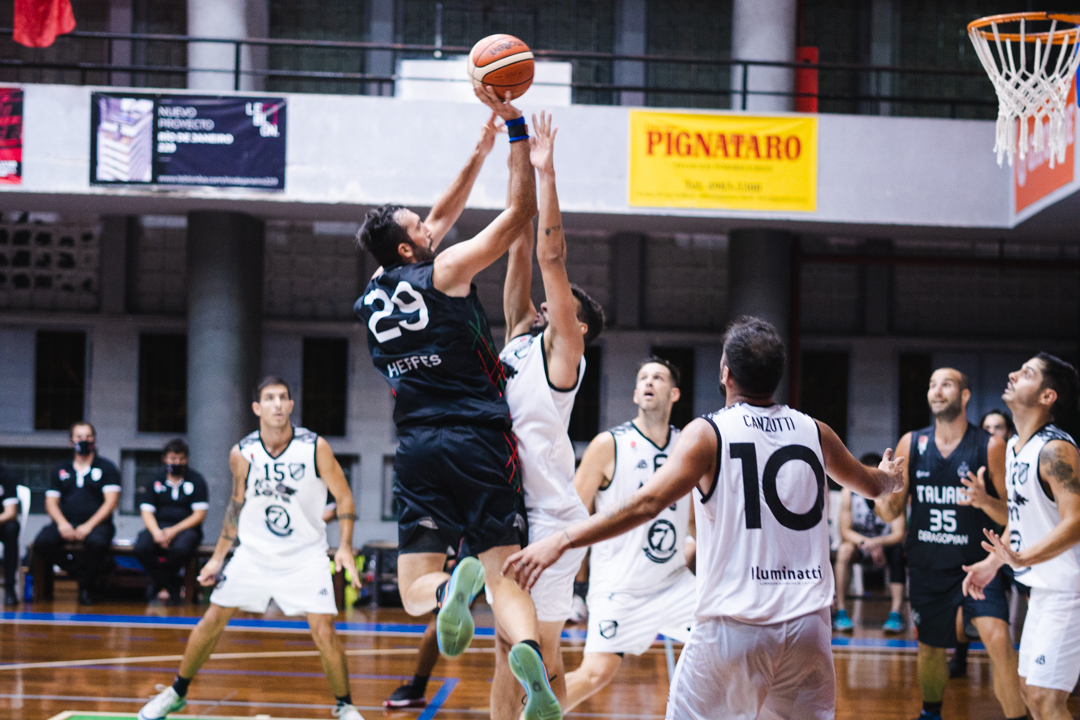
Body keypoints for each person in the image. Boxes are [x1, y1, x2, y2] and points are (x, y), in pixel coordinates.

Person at [505, 317, 904, 720]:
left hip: (737, 625)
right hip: (809, 630)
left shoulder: (707, 433)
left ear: (726, 373)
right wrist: (889, 479)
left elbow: (647, 503)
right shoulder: (815, 432)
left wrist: (562, 540)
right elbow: (872, 486)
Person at [354, 86, 557, 720]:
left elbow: (438, 215)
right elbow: (520, 211)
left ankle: (447, 590)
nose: (433, 224)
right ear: (413, 249)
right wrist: (518, 131)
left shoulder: (375, 289)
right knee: (504, 574)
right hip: (478, 441)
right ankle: (534, 669)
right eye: (420, 227)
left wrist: (478, 149)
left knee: (413, 585)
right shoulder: (448, 272)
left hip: (416, 447)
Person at [136, 377, 363, 720]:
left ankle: (345, 706)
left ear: (290, 406)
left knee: (324, 630)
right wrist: (217, 558)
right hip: (253, 555)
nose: (276, 404)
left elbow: (344, 497)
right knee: (211, 620)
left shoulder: (315, 447)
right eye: (269, 398)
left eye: (282, 398)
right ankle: (177, 692)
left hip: (305, 557)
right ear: (257, 408)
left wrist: (345, 545)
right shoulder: (242, 452)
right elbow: (236, 506)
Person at [490, 110, 606, 720]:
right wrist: (516, 152)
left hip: (551, 518)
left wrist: (549, 171)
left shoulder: (565, 355)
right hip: (510, 510)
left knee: (531, 649)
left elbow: (549, 255)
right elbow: (519, 247)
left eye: (560, 305)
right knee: (517, 650)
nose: (542, 301)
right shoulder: (515, 339)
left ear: (576, 324)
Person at [875, 368, 1025, 720]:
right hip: (927, 567)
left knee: (999, 641)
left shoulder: (990, 445)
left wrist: (985, 501)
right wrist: (883, 486)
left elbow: (1012, 516)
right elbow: (890, 512)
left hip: (976, 567)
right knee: (929, 650)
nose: (936, 390)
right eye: (931, 385)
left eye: (946, 384)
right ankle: (930, 713)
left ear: (965, 395)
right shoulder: (911, 443)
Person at [559, 357, 694, 712]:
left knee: (727, 647)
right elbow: (573, 516)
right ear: (635, 393)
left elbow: (695, 519)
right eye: (643, 378)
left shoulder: (689, 446)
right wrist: (572, 582)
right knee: (596, 674)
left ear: (674, 393)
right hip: (620, 586)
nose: (650, 382)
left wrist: (698, 550)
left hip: (674, 583)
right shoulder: (608, 444)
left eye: (659, 377)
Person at [964, 354, 1080, 720]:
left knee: (1046, 699)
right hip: (1045, 591)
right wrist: (991, 563)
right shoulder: (1016, 448)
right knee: (1030, 692)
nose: (1012, 373)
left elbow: (1076, 521)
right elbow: (1020, 520)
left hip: (1070, 591)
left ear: (1048, 396)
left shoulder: (1055, 449)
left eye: (1027, 373)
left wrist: (1024, 558)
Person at [950, 407, 1019, 677]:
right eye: (987, 427)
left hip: (1017, 542)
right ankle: (961, 655)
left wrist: (986, 501)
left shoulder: (1016, 459)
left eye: (998, 427)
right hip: (984, 543)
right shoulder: (975, 458)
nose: (991, 431)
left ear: (1009, 432)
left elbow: (1011, 515)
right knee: (966, 592)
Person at [33, 422, 120, 606]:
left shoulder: (107, 467)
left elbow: (111, 502)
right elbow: (50, 502)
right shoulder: (61, 468)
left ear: (94, 440)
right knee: (42, 542)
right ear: (71, 441)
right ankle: (82, 575)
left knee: (96, 543)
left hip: (98, 524)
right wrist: (63, 524)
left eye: (88, 437)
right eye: (79, 437)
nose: (84, 440)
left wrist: (89, 526)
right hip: (66, 521)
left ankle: (86, 590)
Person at [832, 452, 907, 634]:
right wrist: (868, 543)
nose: (872, 480)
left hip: (886, 545)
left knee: (899, 552)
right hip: (862, 545)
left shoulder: (893, 491)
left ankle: (896, 613)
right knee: (843, 551)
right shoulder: (849, 492)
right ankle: (840, 611)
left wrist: (878, 542)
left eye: (876, 476)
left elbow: (898, 534)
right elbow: (844, 531)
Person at [134, 439, 209, 605]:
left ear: (187, 459)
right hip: (159, 527)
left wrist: (174, 531)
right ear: (165, 459)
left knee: (181, 549)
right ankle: (172, 582)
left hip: (186, 528)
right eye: (173, 459)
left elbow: (199, 515)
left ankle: (159, 583)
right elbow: (146, 511)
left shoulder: (196, 480)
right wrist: (156, 533)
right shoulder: (155, 480)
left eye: (181, 459)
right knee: (141, 547)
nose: (177, 463)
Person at [0, 464, 20, 605]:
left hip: (1, 523)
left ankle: (9, 588)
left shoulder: (6, 476)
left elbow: (10, 513)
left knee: (11, 529)